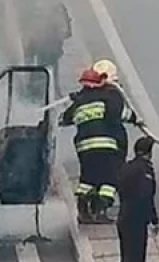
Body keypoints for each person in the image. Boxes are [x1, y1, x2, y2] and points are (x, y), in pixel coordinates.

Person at [60, 66, 140, 224]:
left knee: (88, 178)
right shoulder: (108, 96)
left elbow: (64, 119)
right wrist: (135, 118)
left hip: (84, 148)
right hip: (106, 145)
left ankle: (83, 211)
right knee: (110, 179)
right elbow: (119, 113)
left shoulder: (78, 102)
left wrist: (77, 100)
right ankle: (100, 210)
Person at [115, 136, 159, 262]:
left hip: (124, 217)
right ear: (149, 153)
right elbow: (146, 197)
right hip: (136, 220)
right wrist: (153, 219)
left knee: (127, 258)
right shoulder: (145, 170)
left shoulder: (127, 167)